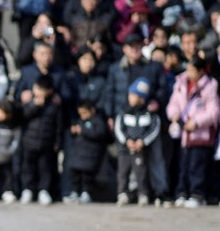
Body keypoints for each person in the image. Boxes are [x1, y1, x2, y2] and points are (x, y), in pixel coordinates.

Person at [166, 56, 220, 208]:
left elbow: (214, 112)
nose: (188, 73)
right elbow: (173, 103)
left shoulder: (210, 86)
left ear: (201, 71)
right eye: (187, 69)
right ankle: (181, 192)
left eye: (192, 70)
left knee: (197, 167)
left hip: (200, 134)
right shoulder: (181, 83)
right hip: (183, 133)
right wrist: (174, 115)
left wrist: (196, 122)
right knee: (183, 165)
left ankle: (197, 194)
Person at [114, 77, 161, 206]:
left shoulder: (148, 114)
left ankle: (142, 194)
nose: (130, 97)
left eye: (134, 95)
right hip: (125, 149)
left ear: (141, 98)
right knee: (123, 172)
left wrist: (142, 141)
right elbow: (119, 128)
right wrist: (126, 140)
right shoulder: (123, 111)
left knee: (141, 173)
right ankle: (122, 193)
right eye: (130, 94)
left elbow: (153, 129)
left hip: (140, 149)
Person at [19, 75, 61, 205]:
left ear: (49, 91)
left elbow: (58, 126)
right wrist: (35, 106)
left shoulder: (54, 106)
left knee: (45, 168)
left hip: (46, 142)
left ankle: (44, 190)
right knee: (28, 168)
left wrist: (57, 142)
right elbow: (23, 116)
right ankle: (27, 190)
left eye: (43, 89)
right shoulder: (28, 103)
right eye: (38, 88)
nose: (40, 92)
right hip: (29, 142)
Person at [65, 100, 111, 204]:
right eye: (80, 113)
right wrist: (73, 131)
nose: (82, 116)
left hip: (91, 155)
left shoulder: (98, 121)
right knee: (75, 175)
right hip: (78, 154)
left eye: (84, 113)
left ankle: (86, 193)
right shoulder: (80, 121)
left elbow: (100, 134)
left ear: (92, 110)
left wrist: (83, 131)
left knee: (87, 177)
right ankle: (75, 192)